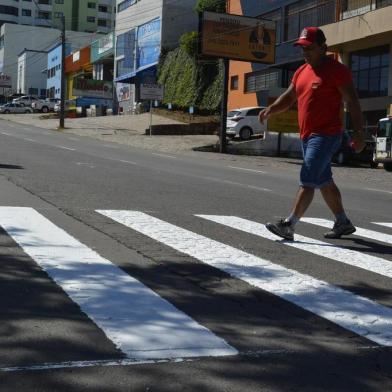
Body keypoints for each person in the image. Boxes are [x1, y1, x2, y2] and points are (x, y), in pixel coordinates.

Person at [259, 26, 366, 241]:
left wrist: (359, 132)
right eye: (302, 48)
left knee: (308, 177)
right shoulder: (301, 71)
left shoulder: (337, 70)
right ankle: (342, 222)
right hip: (307, 135)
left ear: (323, 47)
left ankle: (289, 224)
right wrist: (271, 109)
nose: (305, 52)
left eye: (309, 47)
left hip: (326, 134)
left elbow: (352, 101)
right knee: (323, 180)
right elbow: (289, 98)